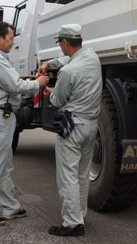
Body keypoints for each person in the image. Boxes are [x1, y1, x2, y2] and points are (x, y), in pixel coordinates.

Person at [0, 21, 49, 226]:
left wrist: (31, 83)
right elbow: (14, 85)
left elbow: (11, 83)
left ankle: (11, 207)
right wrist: (37, 84)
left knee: (3, 166)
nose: (12, 43)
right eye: (10, 38)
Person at [39, 23, 102, 237]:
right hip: (91, 126)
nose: (60, 47)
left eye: (60, 43)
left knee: (67, 175)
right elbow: (69, 58)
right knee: (82, 174)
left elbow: (58, 99)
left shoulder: (67, 72)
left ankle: (72, 224)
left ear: (65, 42)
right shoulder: (92, 58)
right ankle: (80, 214)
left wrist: (49, 91)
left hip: (72, 127)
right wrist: (49, 63)